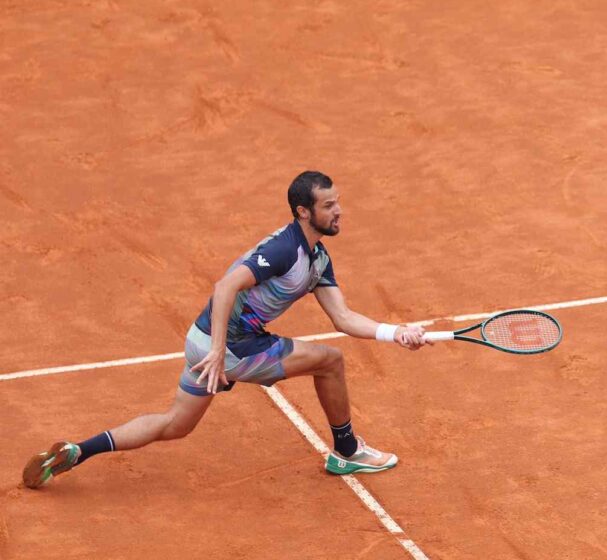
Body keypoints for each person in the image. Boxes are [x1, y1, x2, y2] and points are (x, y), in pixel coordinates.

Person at [23, 171, 429, 488]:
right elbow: (226, 285)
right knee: (330, 361)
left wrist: (396, 332)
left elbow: (342, 318)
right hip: (230, 348)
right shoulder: (284, 249)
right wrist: (220, 351)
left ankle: (79, 451)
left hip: (201, 342)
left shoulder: (318, 258)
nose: (339, 210)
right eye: (329, 205)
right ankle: (346, 451)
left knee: (174, 424)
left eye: (337, 201)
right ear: (304, 212)